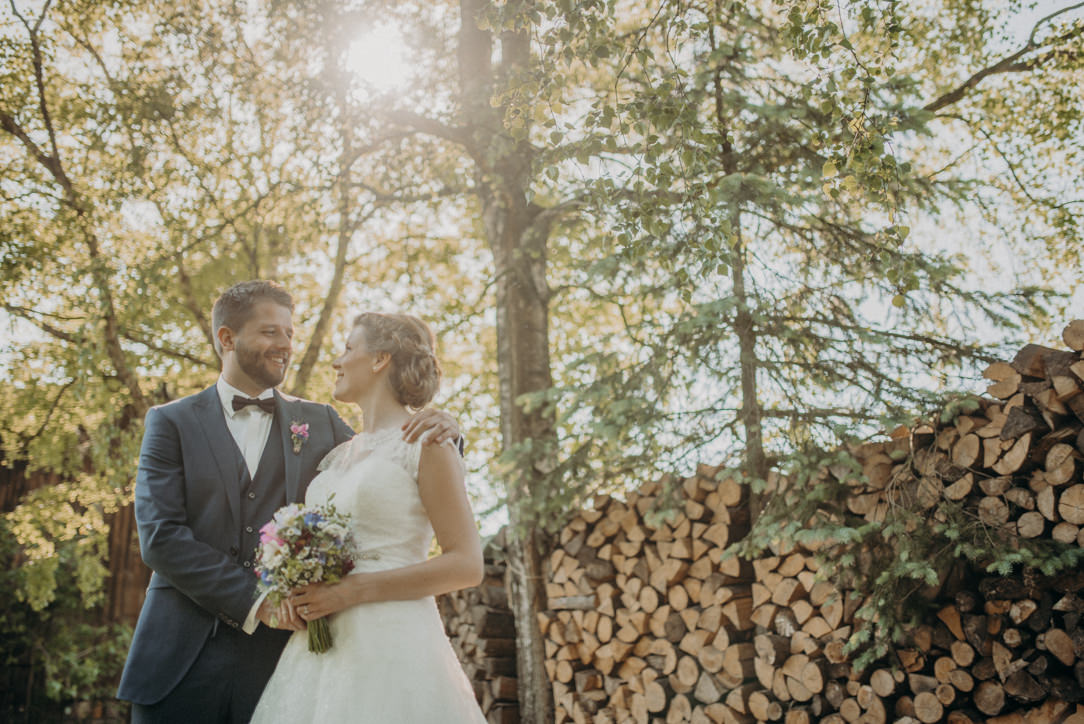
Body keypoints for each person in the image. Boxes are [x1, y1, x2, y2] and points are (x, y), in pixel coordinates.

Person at [116, 281, 460, 724]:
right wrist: (256, 601)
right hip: (178, 658)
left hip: (278, 664)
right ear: (227, 338)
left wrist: (446, 426)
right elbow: (161, 538)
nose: (285, 345)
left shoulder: (320, 422)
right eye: (270, 333)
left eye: (290, 333)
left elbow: (389, 462)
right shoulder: (170, 423)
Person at [249, 311, 486, 723]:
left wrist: (351, 592)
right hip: (320, 649)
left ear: (380, 360)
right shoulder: (337, 454)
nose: (337, 362)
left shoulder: (427, 442)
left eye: (347, 349)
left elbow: (467, 564)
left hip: (393, 645)